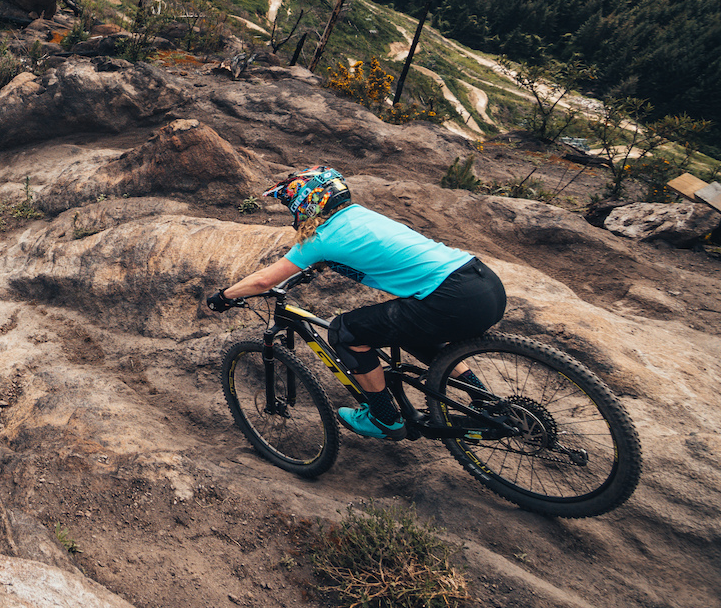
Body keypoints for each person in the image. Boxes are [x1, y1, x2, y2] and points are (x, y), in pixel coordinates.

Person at [205, 167, 506, 440]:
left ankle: (384, 419)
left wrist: (224, 296)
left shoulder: (320, 239)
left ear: (305, 204)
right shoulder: (360, 215)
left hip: (449, 298)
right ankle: (485, 401)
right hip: (483, 284)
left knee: (346, 332)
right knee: (415, 332)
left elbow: (262, 282)